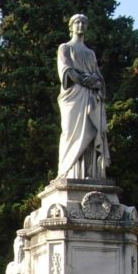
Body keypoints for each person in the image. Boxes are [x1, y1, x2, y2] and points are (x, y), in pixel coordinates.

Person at [57, 13, 110, 179]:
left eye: (83, 23)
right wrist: (84, 80)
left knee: (90, 131)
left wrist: (96, 79)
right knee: (69, 132)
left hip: (90, 97)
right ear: (71, 27)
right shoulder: (65, 48)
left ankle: (89, 173)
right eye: (77, 22)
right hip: (73, 96)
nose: (80, 25)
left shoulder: (90, 53)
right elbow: (66, 70)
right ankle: (67, 171)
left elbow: (98, 76)